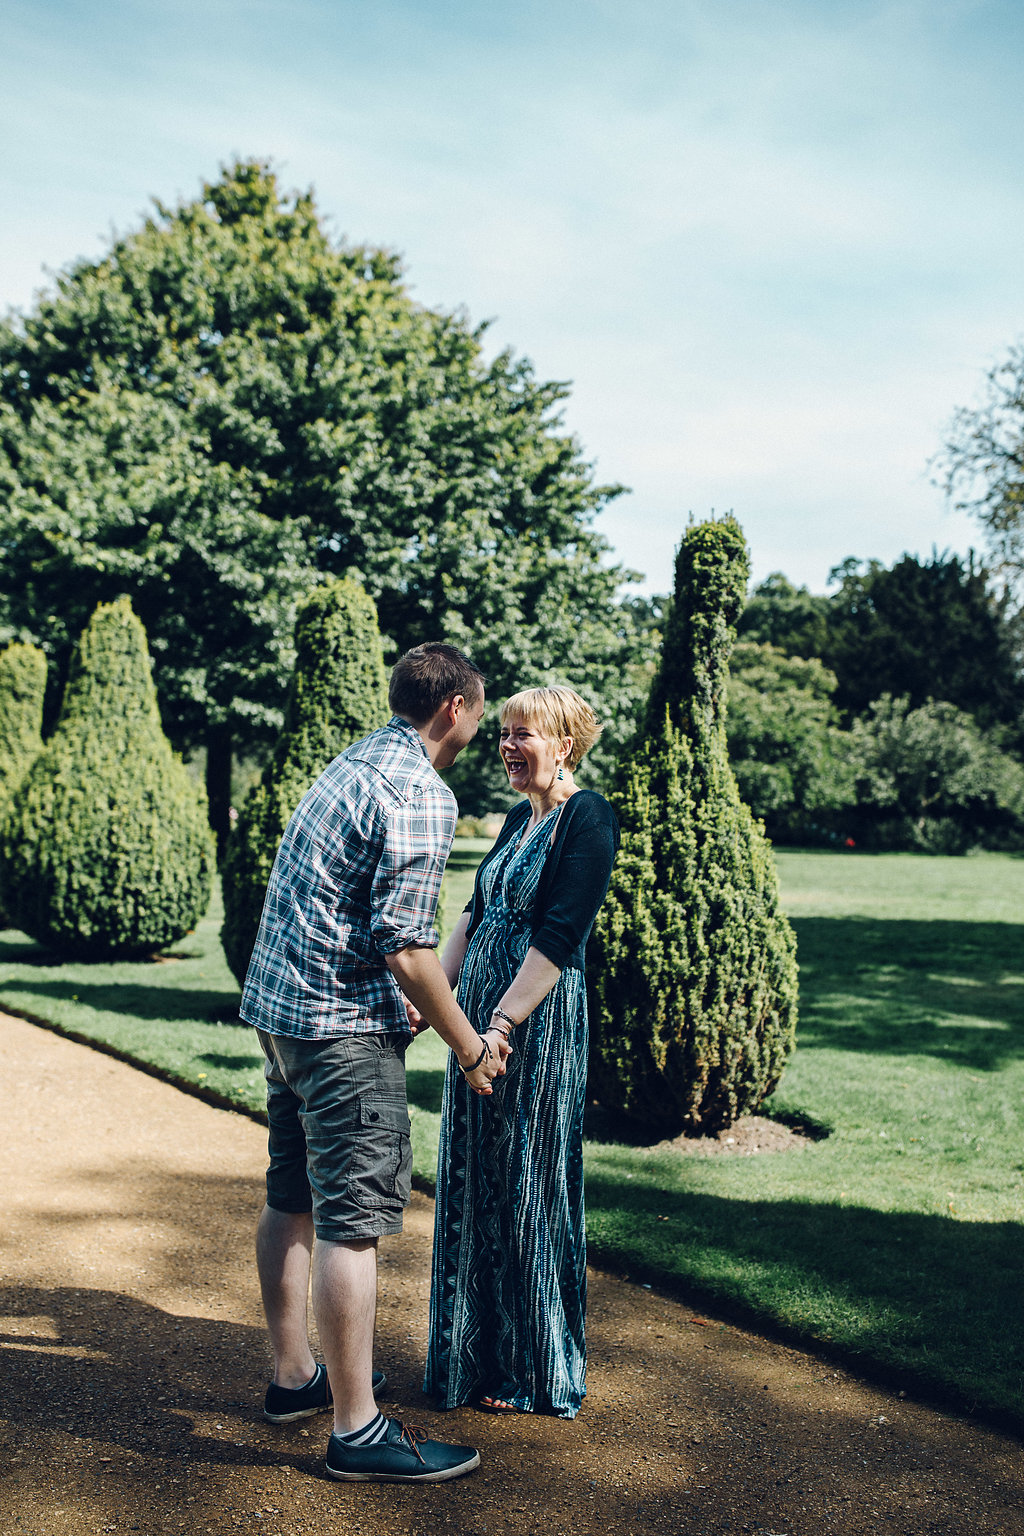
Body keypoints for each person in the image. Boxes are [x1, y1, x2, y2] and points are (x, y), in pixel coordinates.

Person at [240, 642, 510, 1483]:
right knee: (352, 1226)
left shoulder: (357, 758)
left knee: (293, 1197)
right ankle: (356, 1432)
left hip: (281, 1017)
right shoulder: (421, 792)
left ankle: (295, 1379)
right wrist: (470, 1045)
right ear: (456, 709)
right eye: (480, 713)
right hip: (340, 1031)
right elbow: (405, 947)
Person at [424, 684, 619, 1419]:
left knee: (527, 1179)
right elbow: (473, 918)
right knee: (475, 1179)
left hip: (532, 1028)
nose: (506, 746)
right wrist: (431, 1003)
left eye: (523, 734)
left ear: (564, 744)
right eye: (503, 732)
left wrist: (500, 1026)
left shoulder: (588, 817)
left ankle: (534, 1366)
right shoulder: (515, 817)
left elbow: (557, 942)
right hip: (474, 1022)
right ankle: (472, 1355)